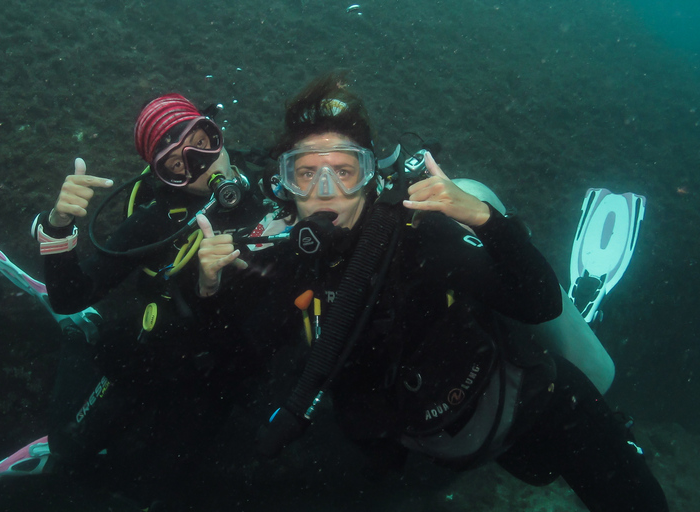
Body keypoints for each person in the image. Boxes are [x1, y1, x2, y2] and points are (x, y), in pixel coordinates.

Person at [198, 74, 669, 511]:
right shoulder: (287, 263)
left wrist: (486, 219)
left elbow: (538, 304)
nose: (326, 191)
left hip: (541, 407)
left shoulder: (420, 239)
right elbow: (239, 360)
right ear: (284, 185)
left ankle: (585, 310)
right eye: (306, 173)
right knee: (535, 473)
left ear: (371, 177)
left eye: (344, 171)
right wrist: (209, 286)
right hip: (444, 446)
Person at [0, 93, 276, 509]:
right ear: (163, 176)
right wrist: (58, 227)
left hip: (230, 363)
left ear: (217, 131)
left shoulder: (272, 185)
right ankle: (84, 335)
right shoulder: (154, 223)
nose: (202, 166)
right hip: (161, 355)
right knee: (71, 452)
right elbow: (69, 295)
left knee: (169, 487)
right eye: (178, 164)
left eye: (202, 142)